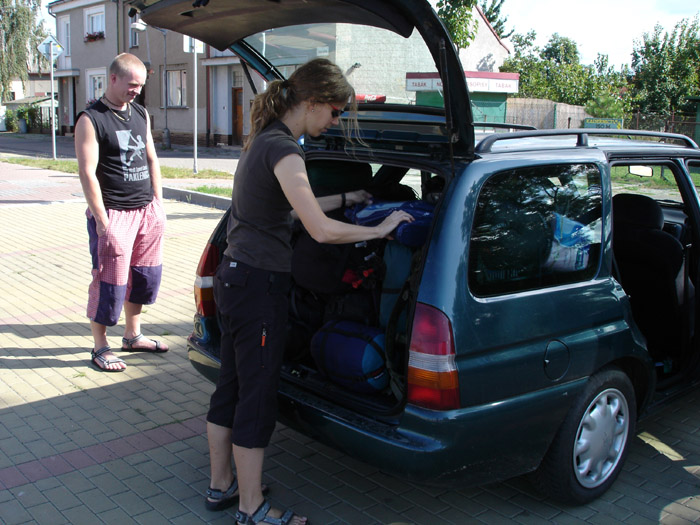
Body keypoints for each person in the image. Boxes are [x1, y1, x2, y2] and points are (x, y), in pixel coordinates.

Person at [205, 57, 413, 525]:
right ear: (315, 102)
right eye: (336, 112)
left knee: (231, 387)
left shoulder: (266, 140)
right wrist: (379, 232)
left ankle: (222, 487)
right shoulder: (285, 150)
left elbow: (294, 208)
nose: (335, 121)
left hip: (236, 278)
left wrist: (348, 198)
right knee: (256, 397)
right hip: (260, 287)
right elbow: (318, 231)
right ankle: (252, 508)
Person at [75, 53, 169, 373]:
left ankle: (132, 335)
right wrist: (102, 221)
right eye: (131, 85)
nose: (136, 92)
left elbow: (152, 158)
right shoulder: (91, 118)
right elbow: (87, 173)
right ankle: (100, 346)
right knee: (109, 283)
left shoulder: (141, 112)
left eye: (140, 86)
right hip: (114, 215)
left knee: (144, 278)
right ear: (112, 79)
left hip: (147, 212)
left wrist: (158, 204)